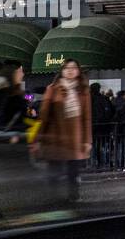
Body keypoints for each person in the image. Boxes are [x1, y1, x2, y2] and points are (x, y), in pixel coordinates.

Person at [32, 59, 92, 203]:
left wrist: (87, 140)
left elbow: (86, 118)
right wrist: (38, 138)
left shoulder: (83, 91)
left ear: (78, 71)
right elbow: (44, 115)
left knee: (74, 171)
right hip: (56, 137)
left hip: (75, 139)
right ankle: (53, 197)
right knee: (54, 171)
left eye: (73, 68)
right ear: (62, 71)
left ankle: (74, 196)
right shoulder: (52, 88)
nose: (70, 70)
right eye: (66, 68)